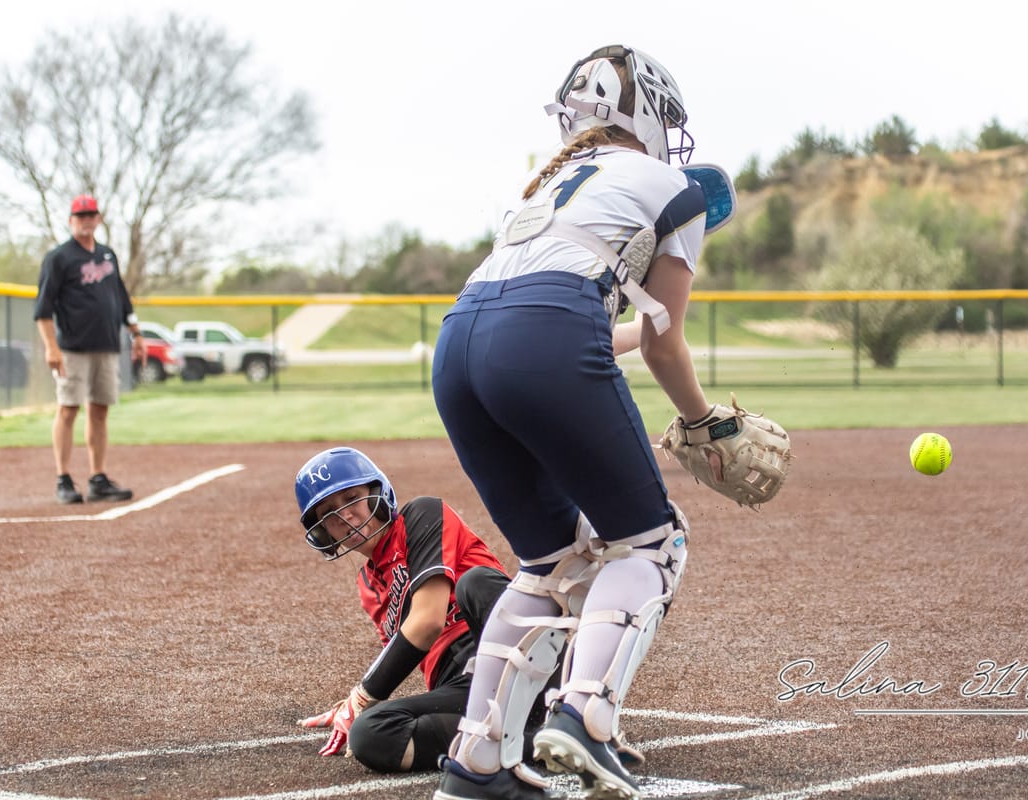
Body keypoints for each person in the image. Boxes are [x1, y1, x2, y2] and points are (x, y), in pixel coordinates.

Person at [429, 45, 727, 800]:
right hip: (544, 336)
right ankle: (585, 714)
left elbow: (572, 323)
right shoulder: (672, 185)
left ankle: (479, 759)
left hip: (459, 344)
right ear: (649, 114)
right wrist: (705, 423)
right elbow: (663, 343)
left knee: (552, 564)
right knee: (652, 543)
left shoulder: (553, 181)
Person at [294, 446, 543, 773]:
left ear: (377, 494)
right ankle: (535, 743)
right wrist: (354, 708)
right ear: (323, 531)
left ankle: (547, 704)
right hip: (461, 685)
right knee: (369, 733)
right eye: (329, 512)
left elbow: (427, 623)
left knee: (476, 584)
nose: (344, 515)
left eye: (352, 498)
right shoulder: (368, 585)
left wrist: (362, 695)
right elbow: (398, 655)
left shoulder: (422, 515)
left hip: (510, 652)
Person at [35, 194, 144, 504]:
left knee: (100, 411)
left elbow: (122, 300)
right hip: (72, 348)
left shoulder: (108, 255)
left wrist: (136, 334)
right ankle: (63, 479)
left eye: (91, 214)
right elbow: (43, 309)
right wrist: (51, 347)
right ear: (71, 220)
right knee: (68, 408)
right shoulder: (59, 258)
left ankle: (98, 479)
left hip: (107, 346)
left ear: (98, 218)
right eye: (80, 214)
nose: (86, 219)